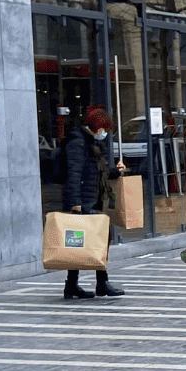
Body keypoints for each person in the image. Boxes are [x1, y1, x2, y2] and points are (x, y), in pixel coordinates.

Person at [61, 105, 125, 301]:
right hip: (82, 202)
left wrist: (117, 171)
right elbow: (74, 173)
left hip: (94, 200)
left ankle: (95, 283)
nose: (104, 133)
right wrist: (75, 203)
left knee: (98, 240)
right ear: (98, 128)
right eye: (104, 129)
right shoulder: (78, 142)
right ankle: (79, 284)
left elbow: (99, 173)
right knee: (79, 242)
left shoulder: (93, 144)